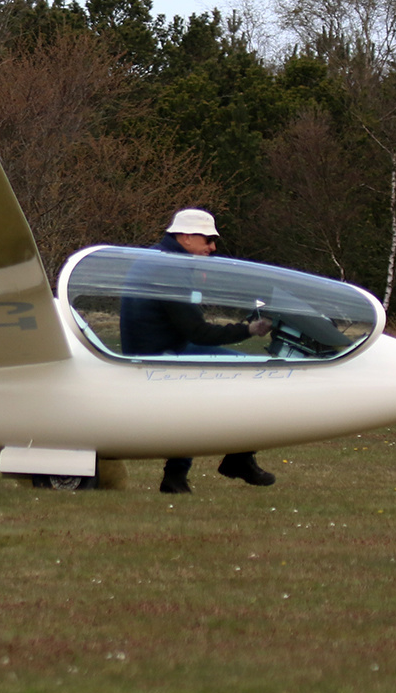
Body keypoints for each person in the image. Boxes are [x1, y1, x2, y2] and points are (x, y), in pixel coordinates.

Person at [119, 208, 278, 495]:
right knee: (260, 376)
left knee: (250, 373)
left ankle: (215, 465)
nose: (212, 247)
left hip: (162, 348)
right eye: (207, 240)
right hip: (160, 356)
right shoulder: (169, 270)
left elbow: (189, 327)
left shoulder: (159, 258)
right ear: (186, 236)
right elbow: (199, 332)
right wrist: (249, 330)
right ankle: (231, 461)